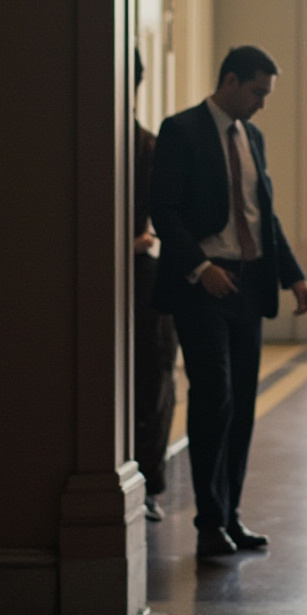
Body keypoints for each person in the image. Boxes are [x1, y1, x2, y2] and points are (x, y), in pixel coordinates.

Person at [149, 45, 307, 558]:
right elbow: (163, 210)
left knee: (242, 403)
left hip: (249, 285)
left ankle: (231, 516)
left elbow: (264, 217)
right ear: (230, 81)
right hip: (202, 290)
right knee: (213, 399)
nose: (263, 103)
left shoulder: (253, 137)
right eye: (258, 92)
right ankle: (208, 521)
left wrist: (294, 276)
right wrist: (201, 269)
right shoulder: (182, 131)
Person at [133, 118, 180, 521]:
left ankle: (146, 481)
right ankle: (147, 482)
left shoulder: (146, 144)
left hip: (142, 271)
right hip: (143, 272)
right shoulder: (146, 144)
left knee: (154, 380)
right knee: (156, 380)